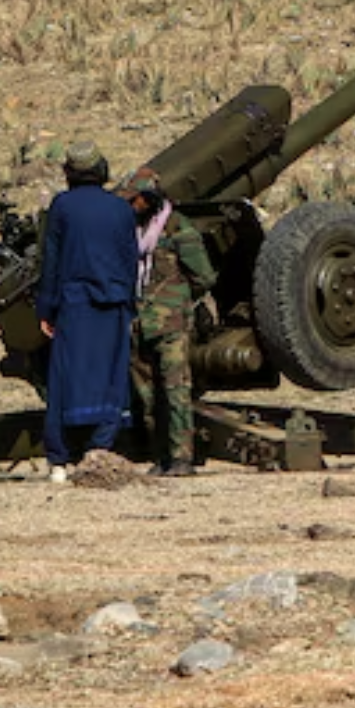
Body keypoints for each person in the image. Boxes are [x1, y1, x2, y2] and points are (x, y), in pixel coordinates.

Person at [34, 142, 139, 483]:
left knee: (65, 378)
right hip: (114, 302)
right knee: (111, 377)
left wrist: (45, 308)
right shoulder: (121, 209)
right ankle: (101, 448)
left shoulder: (62, 206)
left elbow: (51, 261)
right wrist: (129, 303)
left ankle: (59, 457)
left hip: (75, 303)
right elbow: (130, 259)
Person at [125, 168, 216, 478]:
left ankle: (181, 458)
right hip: (138, 323)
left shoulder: (179, 229)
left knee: (176, 391)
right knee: (146, 395)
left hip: (171, 324)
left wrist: (177, 301)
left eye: (136, 200)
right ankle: (159, 454)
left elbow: (202, 276)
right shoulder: (132, 231)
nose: (131, 205)